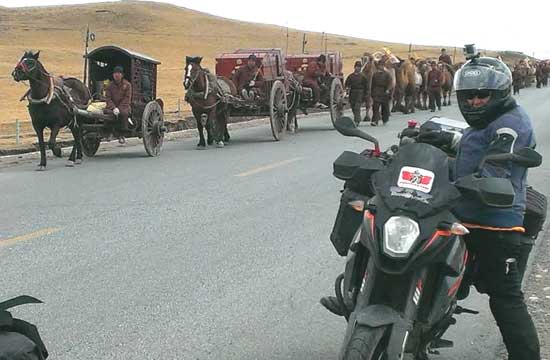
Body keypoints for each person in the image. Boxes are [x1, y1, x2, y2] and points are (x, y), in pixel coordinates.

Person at [104, 66, 132, 131]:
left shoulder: (127, 85)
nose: (116, 75)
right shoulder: (110, 85)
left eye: (118, 73)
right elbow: (108, 98)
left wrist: (119, 109)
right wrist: (113, 108)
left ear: (122, 75)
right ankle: (108, 131)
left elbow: (127, 98)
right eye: (115, 73)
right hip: (112, 107)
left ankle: (122, 133)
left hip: (124, 107)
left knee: (124, 114)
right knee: (106, 113)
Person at [370, 60, 392, 126]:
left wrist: (388, 89)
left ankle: (385, 119)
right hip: (376, 91)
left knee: (385, 107)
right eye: (380, 65)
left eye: (382, 65)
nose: (381, 67)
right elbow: (372, 84)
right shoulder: (375, 74)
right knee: (375, 107)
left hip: (384, 92)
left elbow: (390, 83)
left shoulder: (387, 74)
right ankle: (375, 120)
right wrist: (372, 92)